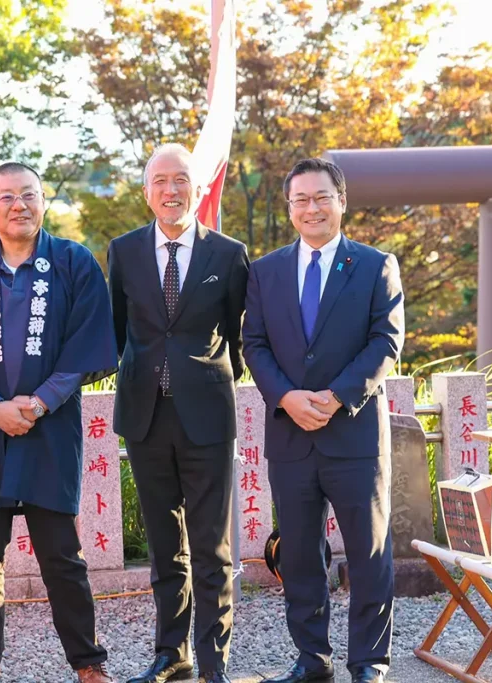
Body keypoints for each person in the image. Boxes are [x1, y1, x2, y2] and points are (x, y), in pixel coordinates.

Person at [0, 161, 118, 683]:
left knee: (62, 555)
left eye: (29, 195)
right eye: (7, 197)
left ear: (43, 201)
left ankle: (88, 664)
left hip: (51, 429)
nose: (19, 205)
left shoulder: (74, 262)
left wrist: (38, 403)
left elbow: (86, 347)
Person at [243, 158, 404, 683]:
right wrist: (287, 397)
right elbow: (255, 344)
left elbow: (386, 342)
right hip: (290, 437)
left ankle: (368, 663)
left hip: (353, 434)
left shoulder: (376, 265)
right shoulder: (265, 272)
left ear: (340, 201)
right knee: (301, 555)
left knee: (368, 554)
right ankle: (313, 659)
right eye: (300, 200)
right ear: (289, 208)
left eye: (321, 197)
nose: (311, 208)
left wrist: (336, 397)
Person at [108, 143, 249, 683]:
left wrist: (206, 380)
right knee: (165, 546)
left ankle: (215, 661)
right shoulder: (123, 251)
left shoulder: (228, 254)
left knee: (212, 546)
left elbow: (238, 339)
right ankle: (173, 653)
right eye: (160, 181)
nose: (171, 190)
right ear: (147, 193)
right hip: (145, 415)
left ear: (198, 187)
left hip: (207, 418)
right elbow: (121, 330)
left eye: (181, 180)